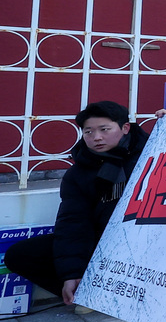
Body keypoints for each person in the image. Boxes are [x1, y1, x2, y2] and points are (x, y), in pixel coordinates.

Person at [4, 102, 149, 305]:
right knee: (19, 255)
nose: (96, 137)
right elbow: (74, 222)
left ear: (125, 128)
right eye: (88, 132)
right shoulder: (78, 173)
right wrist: (72, 273)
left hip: (147, 238)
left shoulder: (154, 152)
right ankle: (89, 297)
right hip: (102, 241)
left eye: (104, 129)